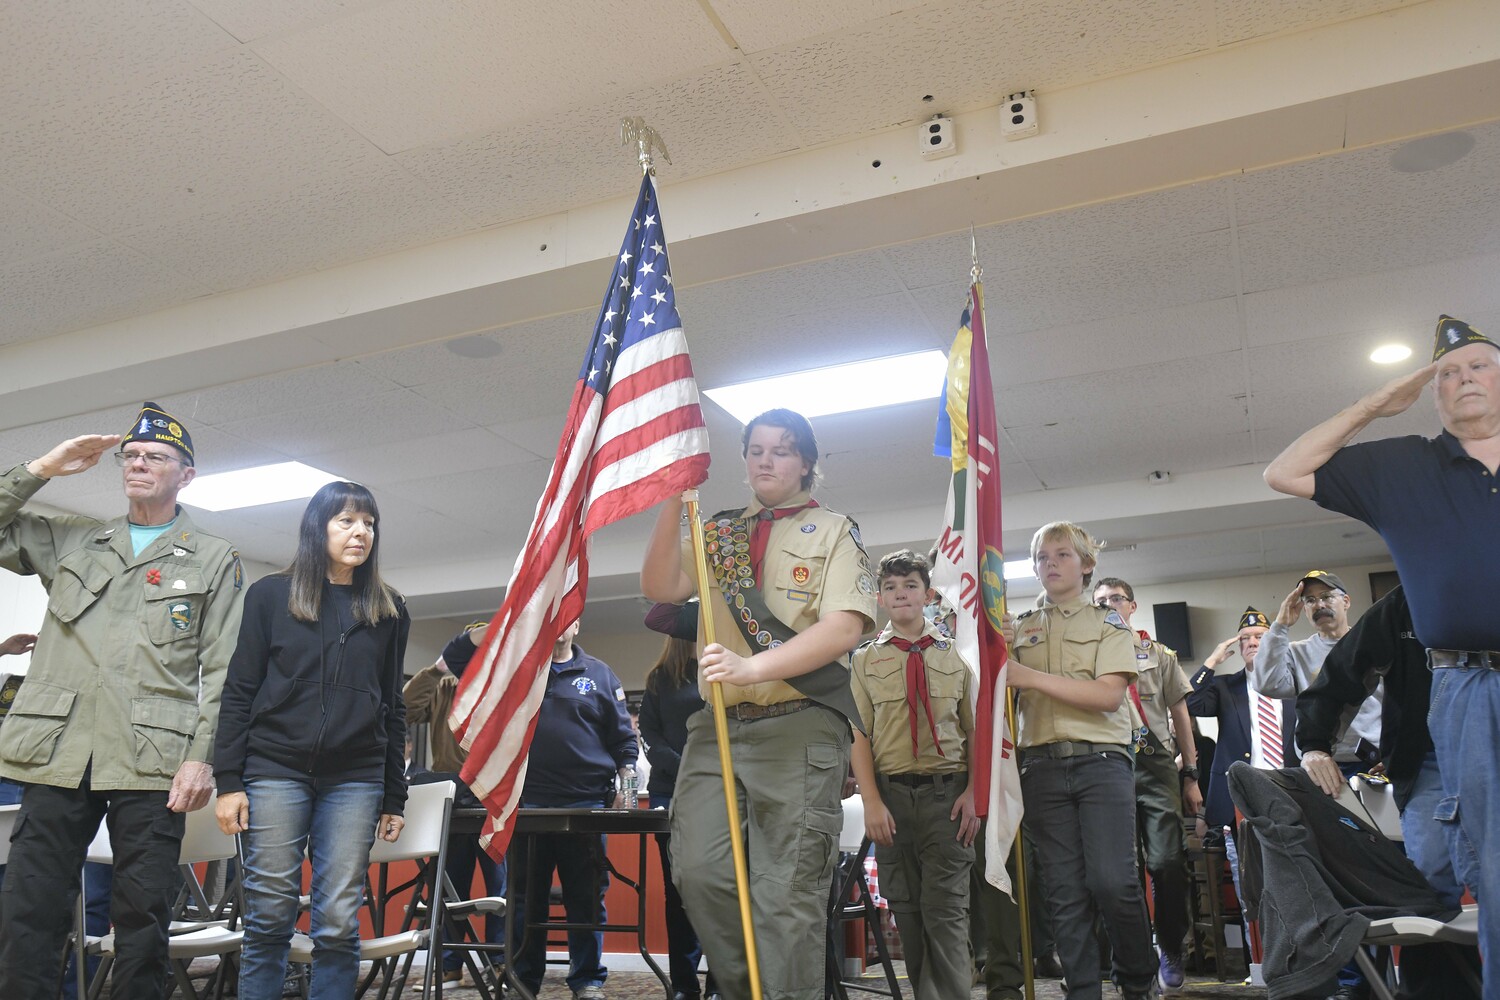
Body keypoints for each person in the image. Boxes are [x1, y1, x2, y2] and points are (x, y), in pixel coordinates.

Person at [1263, 312, 1500, 993]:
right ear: (1433, 395)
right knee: (1469, 871)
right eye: (1447, 374)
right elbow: (1285, 471)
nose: (1463, 378)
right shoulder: (1407, 470)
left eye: (1479, 365)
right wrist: (1373, 405)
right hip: (1458, 709)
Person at [0, 405, 244, 1000]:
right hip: (56, 750)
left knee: (142, 920)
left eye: (156, 457)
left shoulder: (213, 559)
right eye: (130, 456)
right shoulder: (75, 540)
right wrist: (43, 467)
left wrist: (201, 757)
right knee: (27, 909)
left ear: (185, 475)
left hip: (152, 761)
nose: (139, 464)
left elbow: (227, 673)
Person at [641, 407, 875, 1000]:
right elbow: (662, 587)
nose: (766, 460)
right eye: (755, 450)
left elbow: (845, 628)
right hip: (716, 728)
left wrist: (753, 667)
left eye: (782, 449)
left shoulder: (834, 530)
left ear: (806, 464)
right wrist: (672, 500)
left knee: (785, 894)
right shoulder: (719, 531)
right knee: (696, 872)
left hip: (798, 726)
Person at [213, 481, 409, 1000]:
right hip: (274, 769)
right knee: (270, 913)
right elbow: (238, 692)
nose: (360, 532)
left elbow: (393, 707)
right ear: (317, 528)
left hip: (356, 778)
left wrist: (395, 794)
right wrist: (229, 780)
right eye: (346, 521)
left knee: (338, 919)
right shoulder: (270, 596)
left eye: (368, 523)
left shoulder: (389, 609)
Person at [1296, 584, 1480, 999]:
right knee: (1429, 885)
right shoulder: (1405, 601)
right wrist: (1314, 743)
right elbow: (1342, 672)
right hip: (1428, 757)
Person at [1001, 521, 1156, 1000]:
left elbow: (1107, 696)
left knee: (1112, 882)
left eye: (1063, 555)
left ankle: (1136, 979)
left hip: (1101, 764)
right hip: (1041, 768)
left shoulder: (1108, 623)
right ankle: (1083, 989)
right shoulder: (1019, 628)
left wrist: (1027, 675)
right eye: (1043, 557)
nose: (1051, 564)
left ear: (1087, 565)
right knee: (1064, 892)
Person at [850, 549, 978, 1000]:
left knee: (945, 912)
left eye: (910, 586)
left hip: (948, 796)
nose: (901, 594)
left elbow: (975, 729)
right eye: (891, 587)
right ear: (880, 598)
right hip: (892, 799)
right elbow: (859, 735)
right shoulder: (864, 660)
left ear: (928, 593)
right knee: (907, 912)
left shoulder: (959, 655)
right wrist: (871, 801)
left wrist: (975, 793)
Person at [506, 619, 636, 1000]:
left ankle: (587, 980)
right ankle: (523, 980)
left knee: (585, 898)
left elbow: (625, 744)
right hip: (528, 806)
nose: (559, 625)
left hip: (585, 807)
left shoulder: (599, 674)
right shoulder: (521, 673)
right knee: (524, 901)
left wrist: (626, 792)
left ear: (578, 625)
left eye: (567, 618)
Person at [1092, 576, 1201, 994]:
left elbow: (1180, 716)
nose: (1107, 604)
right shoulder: (1089, 654)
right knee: (1121, 872)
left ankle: (1172, 946)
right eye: (1100, 600)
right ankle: (1135, 961)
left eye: (1115, 598)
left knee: (1166, 862)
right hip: (1106, 762)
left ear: (1132, 606)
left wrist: (1190, 775)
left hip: (1155, 767)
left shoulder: (1159, 655)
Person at [403, 620, 507, 986]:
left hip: (492, 794)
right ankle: (449, 966)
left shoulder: (502, 682)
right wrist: (438, 668)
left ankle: (500, 966)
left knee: (500, 886)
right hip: (452, 795)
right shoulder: (444, 686)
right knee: (450, 885)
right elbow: (406, 707)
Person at [639, 608, 719, 1000]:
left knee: (721, 890)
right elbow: (650, 738)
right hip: (670, 794)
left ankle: (720, 983)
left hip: (718, 793)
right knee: (679, 893)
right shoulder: (659, 680)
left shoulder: (719, 668)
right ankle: (684, 985)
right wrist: (688, 768)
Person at [1252, 570, 1382, 775]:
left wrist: (1395, 752)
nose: (1319, 605)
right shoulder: (1297, 652)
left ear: (1346, 601)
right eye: (1310, 600)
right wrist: (1280, 626)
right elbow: (1266, 684)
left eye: (1327, 597)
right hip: (1321, 762)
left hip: (1374, 761)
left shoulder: (1372, 646)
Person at [1185, 608, 1291, 838]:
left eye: (1260, 637)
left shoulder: (1293, 684)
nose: (1252, 643)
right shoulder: (1225, 687)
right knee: (1246, 868)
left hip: (1289, 788)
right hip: (1242, 794)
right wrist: (1212, 661)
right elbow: (1191, 703)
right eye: (1245, 638)